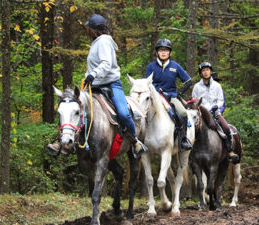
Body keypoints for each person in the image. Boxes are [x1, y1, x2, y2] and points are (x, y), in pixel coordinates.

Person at [47, 14, 147, 158]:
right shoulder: (96, 43)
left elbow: (106, 64)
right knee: (72, 108)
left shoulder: (104, 41)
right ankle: (63, 142)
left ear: (94, 29)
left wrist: (93, 74)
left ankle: (135, 142)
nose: (87, 31)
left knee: (124, 113)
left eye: (88, 28)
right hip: (94, 86)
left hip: (111, 85)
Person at [145, 38, 193, 151]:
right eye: (161, 50)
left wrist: (179, 93)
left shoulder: (175, 66)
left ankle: (183, 139)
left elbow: (188, 81)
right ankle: (139, 139)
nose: (163, 52)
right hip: (155, 98)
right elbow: (147, 83)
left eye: (166, 50)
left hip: (171, 97)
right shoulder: (151, 67)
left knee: (183, 113)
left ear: (170, 52)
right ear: (157, 52)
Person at [192, 62, 239, 163]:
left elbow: (221, 100)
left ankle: (230, 151)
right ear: (201, 73)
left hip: (215, 113)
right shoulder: (196, 87)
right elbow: (194, 100)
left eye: (207, 70)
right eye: (203, 70)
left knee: (226, 128)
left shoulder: (217, 86)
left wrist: (216, 107)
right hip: (201, 114)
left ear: (211, 71)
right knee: (192, 127)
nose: (205, 72)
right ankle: (190, 152)